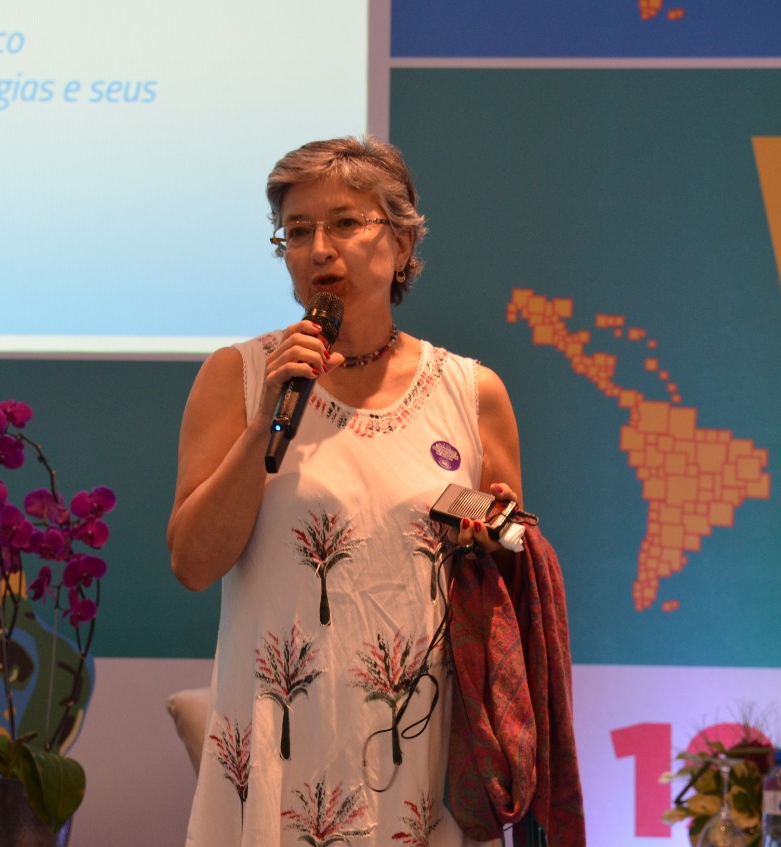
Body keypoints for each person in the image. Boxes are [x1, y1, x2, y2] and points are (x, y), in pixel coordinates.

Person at [167, 136, 527, 846]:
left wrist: (496, 543)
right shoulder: (240, 377)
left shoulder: (472, 392)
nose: (318, 250)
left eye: (343, 223)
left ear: (401, 240)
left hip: (421, 746)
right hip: (286, 742)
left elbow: (510, 581)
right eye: (297, 231)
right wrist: (265, 421)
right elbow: (193, 563)